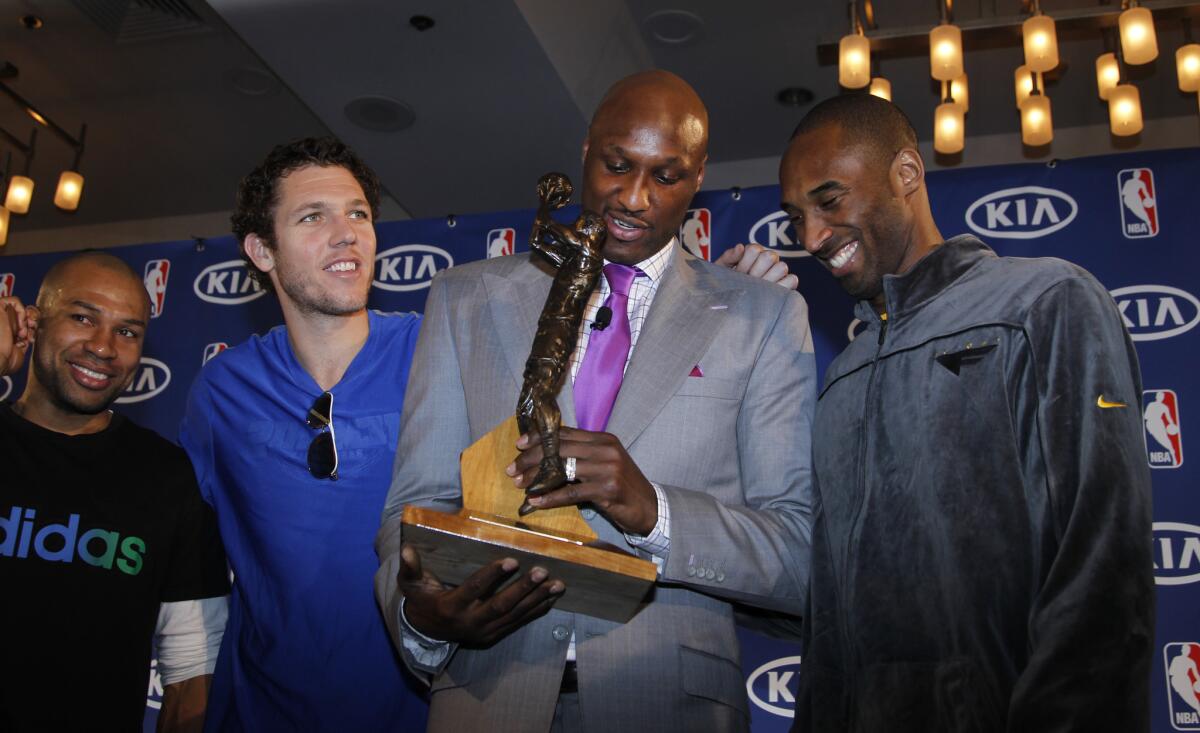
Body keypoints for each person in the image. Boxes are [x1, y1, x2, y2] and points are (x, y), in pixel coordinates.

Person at [376, 69, 816, 732]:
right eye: (616, 165)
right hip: (485, 695)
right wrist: (421, 613)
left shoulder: (763, 317)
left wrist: (656, 512)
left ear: (698, 178)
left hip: (669, 702)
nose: (633, 196)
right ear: (585, 151)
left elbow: (799, 551)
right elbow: (412, 508)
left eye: (665, 176)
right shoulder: (464, 298)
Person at [778, 93, 1154, 731]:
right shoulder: (841, 376)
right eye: (795, 218)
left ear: (906, 174)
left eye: (830, 199)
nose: (810, 237)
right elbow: (827, 624)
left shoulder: (1047, 302)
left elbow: (1101, 570)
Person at [178, 138, 430, 732]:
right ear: (262, 251)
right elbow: (183, 555)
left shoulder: (436, 352)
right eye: (313, 216)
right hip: (264, 711)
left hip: (423, 710)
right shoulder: (222, 392)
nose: (347, 233)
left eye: (359, 213)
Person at [0, 252, 229, 733]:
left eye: (127, 332)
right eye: (83, 318)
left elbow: (192, 675)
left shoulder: (169, 477)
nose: (103, 347)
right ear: (33, 322)